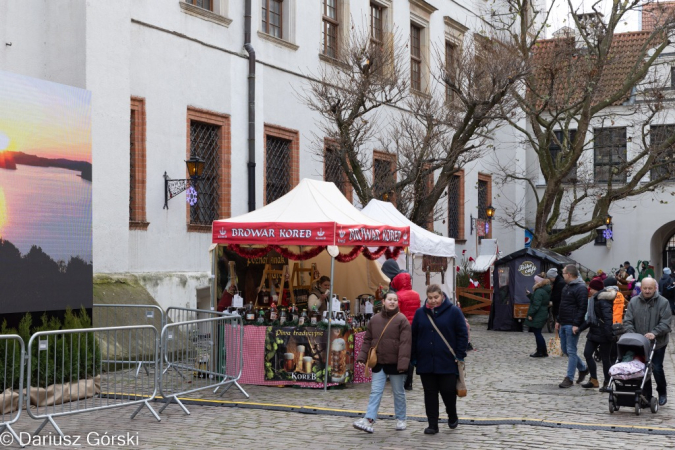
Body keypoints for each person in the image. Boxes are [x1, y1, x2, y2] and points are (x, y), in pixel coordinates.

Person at [411, 284, 468, 435]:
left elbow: (462, 334)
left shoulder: (454, 312)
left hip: (447, 360)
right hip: (425, 361)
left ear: (442, 296)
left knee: (448, 391)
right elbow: (414, 336)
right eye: (430, 298)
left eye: (436, 297)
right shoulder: (420, 313)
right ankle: (433, 424)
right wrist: (414, 357)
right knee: (430, 393)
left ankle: (452, 414)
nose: (433, 301)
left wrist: (460, 354)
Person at [353, 292, 411, 433]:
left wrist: (403, 365)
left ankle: (401, 418)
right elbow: (368, 340)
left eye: (395, 300)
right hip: (379, 362)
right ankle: (369, 419)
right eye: (389, 299)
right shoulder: (375, 319)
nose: (392, 302)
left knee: (398, 392)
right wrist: (362, 357)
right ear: (383, 301)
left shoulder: (402, 320)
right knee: (375, 391)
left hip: (395, 363)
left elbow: (405, 343)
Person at [623, 277, 672, 406]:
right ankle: (647, 396)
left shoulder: (663, 302)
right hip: (640, 342)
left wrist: (654, 333)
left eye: (650, 288)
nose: (647, 291)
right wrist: (632, 333)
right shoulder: (634, 302)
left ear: (655, 288)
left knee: (656, 368)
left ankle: (662, 392)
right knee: (643, 369)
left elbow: (666, 323)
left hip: (658, 342)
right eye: (645, 288)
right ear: (641, 288)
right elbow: (627, 321)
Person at [556, 264, 589, 388]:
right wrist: (558, 319)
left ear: (569, 274)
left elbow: (582, 307)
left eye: (563, 273)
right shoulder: (566, 287)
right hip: (564, 322)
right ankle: (583, 368)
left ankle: (569, 378)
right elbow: (562, 304)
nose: (562, 275)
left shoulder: (580, 288)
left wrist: (576, 324)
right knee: (566, 350)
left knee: (571, 350)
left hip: (572, 324)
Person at [578, 279, 614, 390]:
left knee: (605, 359)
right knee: (587, 353)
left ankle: (607, 382)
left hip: (604, 334)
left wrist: (609, 336)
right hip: (594, 332)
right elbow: (590, 319)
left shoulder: (603, 300)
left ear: (597, 290)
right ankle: (593, 380)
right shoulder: (594, 300)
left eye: (592, 288)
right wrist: (580, 329)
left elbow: (608, 319)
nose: (590, 290)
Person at [390, 271, 421, 391]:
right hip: (414, 327)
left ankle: (401, 380)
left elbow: (396, 314)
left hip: (402, 327)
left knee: (401, 354)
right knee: (410, 354)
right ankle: (409, 382)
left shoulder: (398, 296)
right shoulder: (416, 294)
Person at [525, 273, 551, 358]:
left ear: (539, 282)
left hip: (538, 314)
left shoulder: (539, 291)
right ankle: (543, 351)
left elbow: (536, 305)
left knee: (537, 333)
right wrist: (530, 295)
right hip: (542, 312)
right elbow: (539, 301)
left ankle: (540, 351)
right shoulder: (544, 290)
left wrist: (530, 314)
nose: (534, 282)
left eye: (535, 280)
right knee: (538, 333)